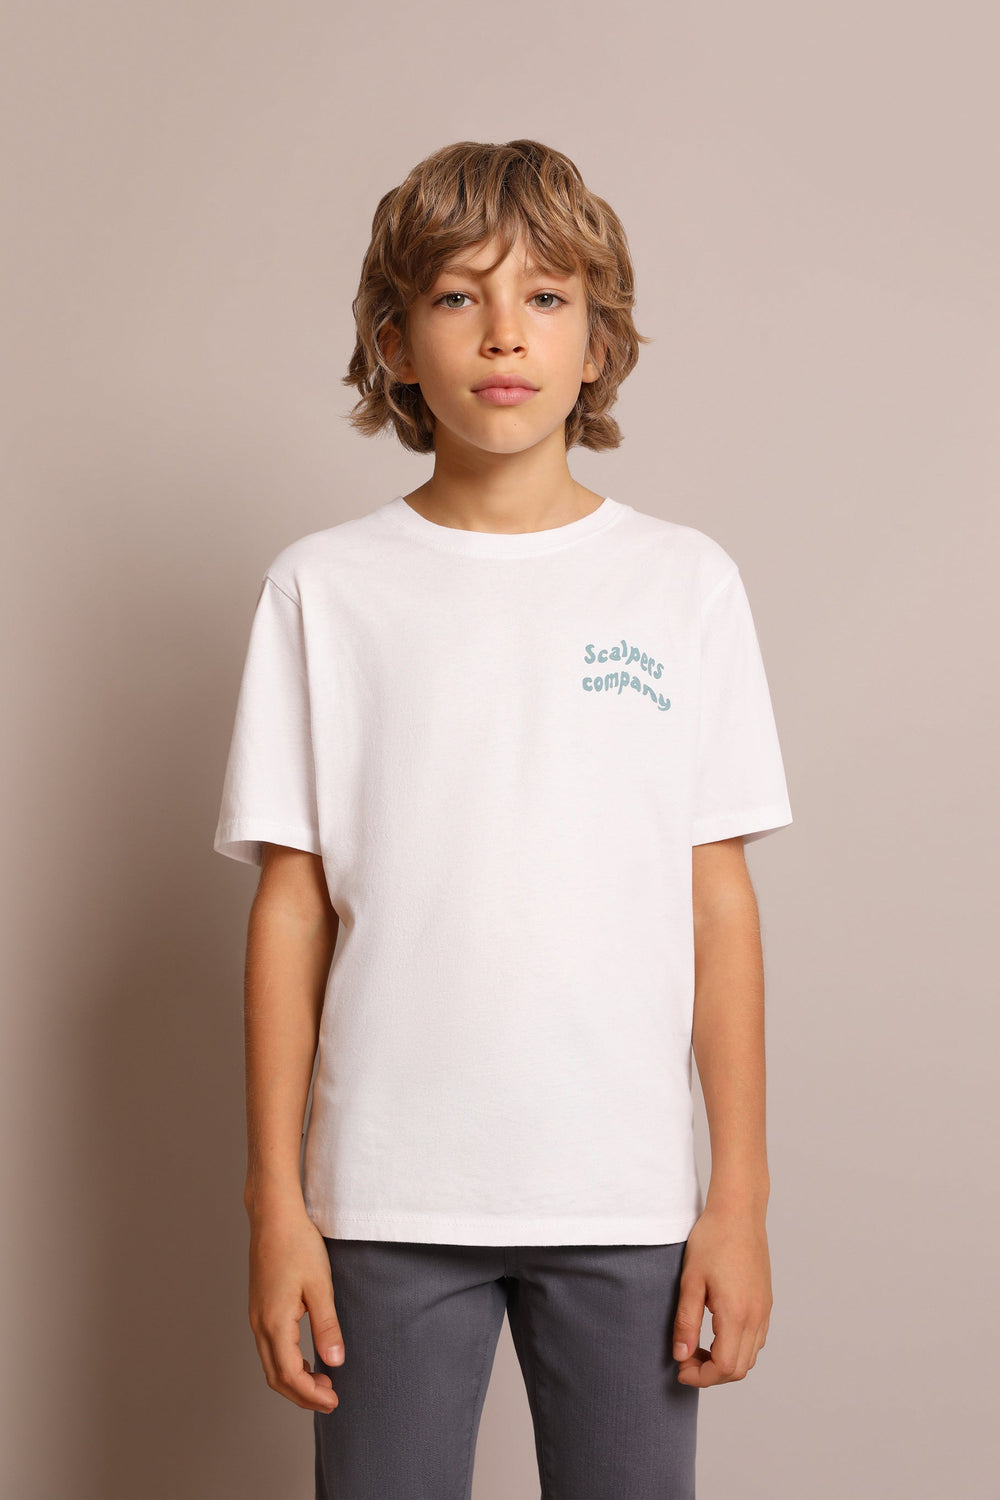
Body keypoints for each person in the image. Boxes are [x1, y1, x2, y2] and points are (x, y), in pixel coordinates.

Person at [213, 138, 793, 1500]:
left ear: (600, 343)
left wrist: (740, 1200)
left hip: (627, 1196)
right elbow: (292, 910)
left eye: (544, 297)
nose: (503, 334)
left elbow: (717, 905)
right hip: (385, 1195)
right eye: (457, 297)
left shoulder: (683, 585)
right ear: (394, 345)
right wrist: (276, 1207)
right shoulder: (324, 591)